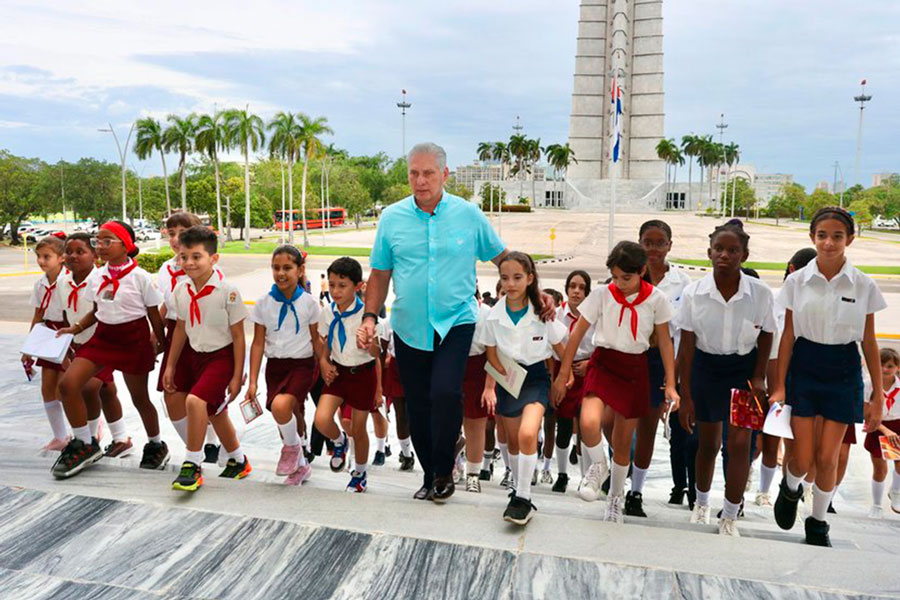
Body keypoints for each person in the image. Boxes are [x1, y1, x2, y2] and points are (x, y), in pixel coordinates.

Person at [358, 142, 513, 503]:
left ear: (444, 174)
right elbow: (380, 274)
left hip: (456, 321)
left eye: (428, 173)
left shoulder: (468, 215)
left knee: (446, 391)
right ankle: (430, 475)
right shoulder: (392, 218)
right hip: (409, 325)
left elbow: (503, 258)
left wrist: (535, 293)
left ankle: (444, 471)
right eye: (414, 173)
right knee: (417, 403)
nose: (420, 180)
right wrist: (369, 317)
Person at [770, 207, 886, 546]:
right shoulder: (796, 281)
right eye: (822, 235)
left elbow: (869, 340)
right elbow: (788, 336)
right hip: (804, 365)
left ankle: (818, 521)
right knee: (802, 459)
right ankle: (790, 488)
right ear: (812, 238)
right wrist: (779, 385)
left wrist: (877, 393)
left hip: (843, 368)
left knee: (827, 457)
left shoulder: (863, 284)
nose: (829, 243)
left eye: (837, 236)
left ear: (850, 239)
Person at [554, 241, 679, 524]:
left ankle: (615, 500)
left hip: (635, 368)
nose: (620, 284)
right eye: (615, 276)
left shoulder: (656, 299)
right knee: (588, 421)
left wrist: (671, 383)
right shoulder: (601, 295)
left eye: (627, 278)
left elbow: (665, 342)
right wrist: (564, 373)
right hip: (603, 363)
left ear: (642, 271)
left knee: (623, 444)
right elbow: (576, 334)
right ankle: (598, 466)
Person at [678, 221, 774, 537]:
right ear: (709, 253)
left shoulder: (759, 293)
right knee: (706, 443)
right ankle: (701, 505)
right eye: (719, 249)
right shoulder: (694, 293)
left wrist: (760, 376)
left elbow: (767, 335)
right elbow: (688, 346)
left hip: (743, 373)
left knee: (740, 443)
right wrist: (686, 394)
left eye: (733, 250)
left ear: (744, 255)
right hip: (706, 370)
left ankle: (730, 514)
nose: (725, 255)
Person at [54, 221, 169, 478]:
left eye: (108, 241)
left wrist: (161, 342)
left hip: (133, 341)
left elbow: (153, 313)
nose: (101, 246)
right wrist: (76, 328)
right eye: (98, 241)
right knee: (68, 385)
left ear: (126, 246)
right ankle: (85, 443)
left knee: (140, 398)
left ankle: (155, 444)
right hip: (103, 339)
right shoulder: (98, 275)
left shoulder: (140, 277)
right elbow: (96, 311)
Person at [482, 252, 568, 525]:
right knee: (514, 441)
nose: (511, 284)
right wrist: (501, 378)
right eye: (505, 278)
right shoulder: (493, 316)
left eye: (518, 277)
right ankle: (518, 489)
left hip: (534, 378)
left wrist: (563, 378)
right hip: (509, 379)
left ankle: (523, 496)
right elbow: (491, 353)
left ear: (530, 279)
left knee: (529, 432)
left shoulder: (543, 313)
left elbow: (560, 348)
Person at [164, 226, 250, 491]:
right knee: (216, 412)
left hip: (221, 358)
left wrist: (237, 375)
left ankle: (192, 463)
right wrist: (170, 365)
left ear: (213, 259)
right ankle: (238, 460)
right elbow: (180, 328)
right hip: (194, 356)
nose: (189, 263)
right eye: (184, 256)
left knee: (195, 401)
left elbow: (238, 336)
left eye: (196, 257)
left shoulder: (227, 291)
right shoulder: (181, 289)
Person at [632, 220, 692, 516]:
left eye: (659, 243)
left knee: (646, 428)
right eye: (647, 242)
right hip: (629, 358)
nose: (653, 249)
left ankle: (635, 491)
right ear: (639, 243)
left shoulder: (683, 284)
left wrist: (675, 376)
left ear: (669, 245)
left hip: (661, 362)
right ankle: (614, 476)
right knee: (612, 423)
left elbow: (682, 333)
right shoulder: (628, 278)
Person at [246, 245, 320, 485]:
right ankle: (301, 466)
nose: (281, 273)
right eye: (276, 268)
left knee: (281, 406)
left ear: (300, 270)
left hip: (303, 364)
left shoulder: (309, 304)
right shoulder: (263, 304)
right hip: (276, 366)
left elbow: (316, 340)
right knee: (284, 416)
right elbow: (257, 344)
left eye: (287, 268)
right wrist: (253, 380)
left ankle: (291, 449)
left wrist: (326, 366)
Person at [156, 212, 223, 463]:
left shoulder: (205, 266)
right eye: (171, 233)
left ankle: (215, 445)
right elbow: (168, 302)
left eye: (181, 233)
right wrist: (157, 331)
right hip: (176, 334)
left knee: (205, 398)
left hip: (205, 334)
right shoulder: (166, 269)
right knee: (172, 394)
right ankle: (195, 447)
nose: (175, 238)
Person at [57, 232, 130, 457]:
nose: (73, 256)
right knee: (106, 391)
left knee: (88, 388)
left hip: (102, 343)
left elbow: (103, 313)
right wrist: (68, 346)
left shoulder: (101, 280)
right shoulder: (63, 281)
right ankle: (120, 438)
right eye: (69, 251)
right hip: (79, 345)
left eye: (81, 251)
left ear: (94, 256)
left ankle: (88, 440)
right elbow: (65, 314)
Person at [755, 248, 817, 507]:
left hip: (799, 377)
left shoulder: (812, 302)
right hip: (769, 374)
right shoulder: (774, 300)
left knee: (792, 441)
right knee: (761, 441)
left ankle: (787, 490)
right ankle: (759, 487)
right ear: (792, 269)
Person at [315, 257, 382, 494]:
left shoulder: (368, 316)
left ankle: (360, 473)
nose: (335, 291)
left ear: (358, 286)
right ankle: (339, 441)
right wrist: (323, 362)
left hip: (362, 375)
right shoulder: (327, 313)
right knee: (322, 420)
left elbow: (377, 355)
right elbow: (324, 343)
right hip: (338, 373)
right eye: (332, 285)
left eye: (342, 286)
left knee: (359, 428)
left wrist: (370, 343)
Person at [23, 234, 71, 450]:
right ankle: (60, 436)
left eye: (47, 257)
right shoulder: (40, 284)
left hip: (68, 334)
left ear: (62, 258)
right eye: (39, 257)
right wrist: (29, 347)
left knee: (67, 387)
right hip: (49, 336)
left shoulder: (69, 281)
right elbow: (38, 315)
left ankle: (90, 427)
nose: (41, 261)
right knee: (47, 387)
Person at [551, 270, 595, 494]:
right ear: (567, 289)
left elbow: (602, 345)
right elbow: (551, 346)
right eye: (572, 286)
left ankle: (587, 478)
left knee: (587, 426)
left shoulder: (594, 317)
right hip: (562, 371)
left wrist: (589, 363)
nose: (577, 291)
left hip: (587, 370)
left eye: (581, 288)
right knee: (565, 424)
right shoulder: (557, 314)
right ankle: (561, 474)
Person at [864, 348, 900, 518]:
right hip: (878, 426)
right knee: (880, 468)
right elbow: (866, 414)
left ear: (897, 367)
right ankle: (877, 505)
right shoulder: (869, 385)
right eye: (881, 365)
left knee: (899, 463)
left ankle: (896, 492)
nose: (885, 369)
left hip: (897, 427)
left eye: (890, 366)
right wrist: (885, 430)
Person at [462, 292, 492, 493]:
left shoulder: (486, 313)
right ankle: (448, 466)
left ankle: (473, 474)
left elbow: (494, 351)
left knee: (476, 425)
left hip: (477, 367)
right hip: (451, 365)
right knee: (445, 421)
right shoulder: (444, 307)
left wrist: (490, 387)